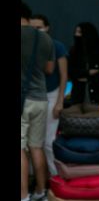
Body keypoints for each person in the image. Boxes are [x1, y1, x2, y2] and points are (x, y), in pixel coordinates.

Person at [21, 1, 55, 201]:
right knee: (36, 146)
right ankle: (40, 192)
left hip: (21, 100)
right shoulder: (45, 38)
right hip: (41, 98)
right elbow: (49, 69)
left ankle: (23, 197)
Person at [30, 14, 68, 178]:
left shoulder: (56, 46)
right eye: (32, 28)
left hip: (51, 95)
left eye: (39, 27)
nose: (35, 31)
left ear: (47, 28)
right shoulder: (27, 46)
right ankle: (35, 178)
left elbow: (64, 75)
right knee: (31, 142)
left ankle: (55, 177)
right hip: (32, 96)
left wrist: (60, 101)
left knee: (48, 141)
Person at [67, 22, 99, 106]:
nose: (76, 35)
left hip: (98, 95)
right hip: (78, 95)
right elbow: (71, 72)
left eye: (79, 32)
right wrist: (88, 72)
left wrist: (86, 77)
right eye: (76, 32)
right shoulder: (73, 52)